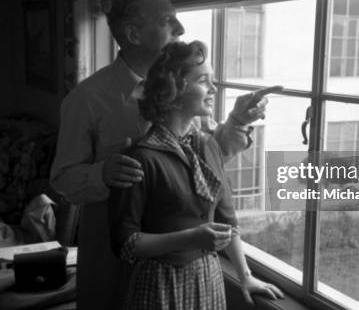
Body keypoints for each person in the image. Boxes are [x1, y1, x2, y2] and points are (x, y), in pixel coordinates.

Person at [50, 0, 280, 309]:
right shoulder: (86, 100)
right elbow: (62, 181)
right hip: (116, 260)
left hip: (187, 269)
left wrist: (238, 122)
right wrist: (103, 173)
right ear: (133, 34)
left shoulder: (185, 95)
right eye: (166, 20)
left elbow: (204, 170)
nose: (180, 28)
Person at [110, 40, 284, 309]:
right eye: (204, 80)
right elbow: (125, 243)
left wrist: (245, 276)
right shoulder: (140, 159)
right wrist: (190, 237)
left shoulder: (207, 145)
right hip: (161, 286)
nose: (214, 89)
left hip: (208, 279)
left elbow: (227, 221)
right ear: (175, 89)